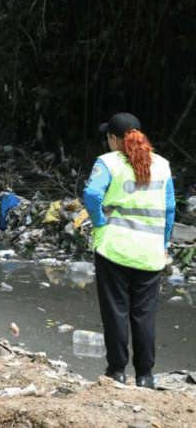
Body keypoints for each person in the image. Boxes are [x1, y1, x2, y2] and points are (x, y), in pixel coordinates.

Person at [83, 113, 175, 389]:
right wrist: (163, 241)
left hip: (115, 249)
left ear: (113, 138)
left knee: (116, 312)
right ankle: (145, 375)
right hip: (150, 253)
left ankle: (117, 372)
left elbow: (91, 195)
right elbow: (170, 209)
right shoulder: (162, 164)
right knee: (143, 315)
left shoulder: (108, 162)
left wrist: (99, 221)